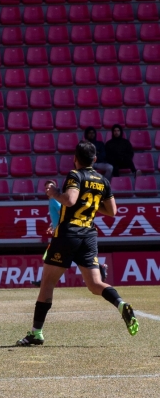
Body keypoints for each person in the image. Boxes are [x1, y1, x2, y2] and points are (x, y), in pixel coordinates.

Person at [16, 141, 138, 346]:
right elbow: (112, 211)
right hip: (88, 235)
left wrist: (54, 192)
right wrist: (89, 205)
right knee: (95, 284)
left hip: (68, 234)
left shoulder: (75, 175)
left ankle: (36, 333)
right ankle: (121, 304)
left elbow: (70, 200)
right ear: (95, 159)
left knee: (47, 284)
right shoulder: (102, 180)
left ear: (75, 158)